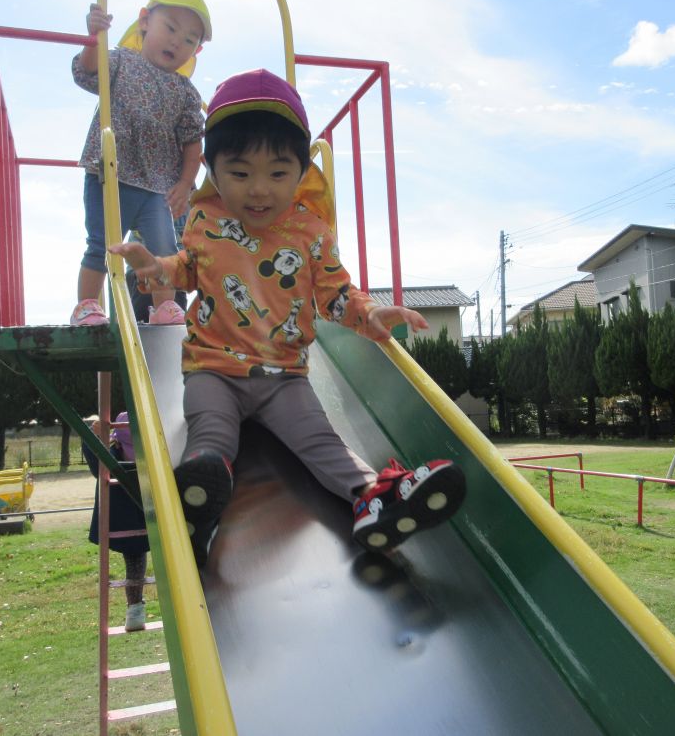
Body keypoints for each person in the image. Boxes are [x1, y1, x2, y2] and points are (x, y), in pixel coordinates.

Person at [110, 68, 467, 568]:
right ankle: (196, 501)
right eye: (239, 173)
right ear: (213, 170)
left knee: (323, 441)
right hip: (213, 368)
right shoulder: (205, 219)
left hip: (284, 379)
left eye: (278, 173)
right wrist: (156, 269)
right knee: (210, 434)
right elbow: (189, 269)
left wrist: (370, 311)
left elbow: (334, 293)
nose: (259, 190)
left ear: (301, 173)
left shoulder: (310, 231)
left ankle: (374, 499)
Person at [69, 0, 211, 327]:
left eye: (189, 39)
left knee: (163, 249)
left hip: (157, 186)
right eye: (171, 28)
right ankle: (87, 305)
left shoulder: (185, 91)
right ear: (145, 21)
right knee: (101, 244)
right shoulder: (119, 60)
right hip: (111, 175)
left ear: (197, 50)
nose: (177, 42)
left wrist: (185, 182)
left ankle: (163, 307)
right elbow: (88, 73)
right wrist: (94, 38)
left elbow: (193, 142)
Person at [83, 413, 151, 631]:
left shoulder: (111, 454)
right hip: (148, 518)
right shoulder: (150, 457)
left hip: (124, 522)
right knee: (140, 564)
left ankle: (135, 611)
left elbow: (96, 466)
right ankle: (136, 611)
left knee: (135, 564)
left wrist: (91, 438)